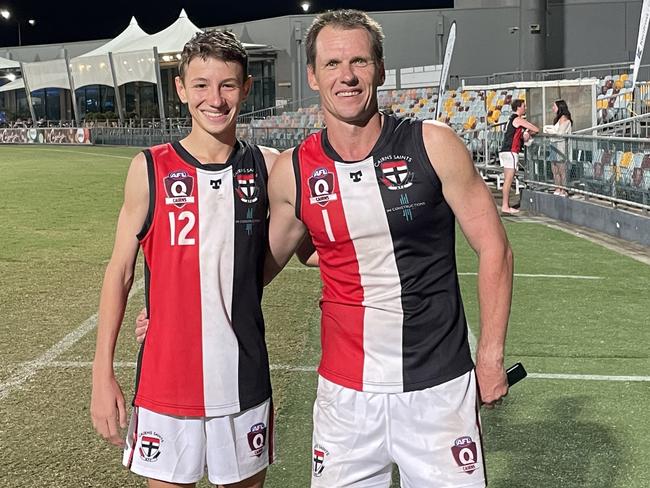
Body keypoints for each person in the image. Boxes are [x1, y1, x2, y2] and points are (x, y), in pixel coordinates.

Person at [263, 9, 514, 487]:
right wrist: (164, 308)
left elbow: (495, 249)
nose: (348, 76)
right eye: (332, 64)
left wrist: (490, 357)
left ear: (379, 68)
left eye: (359, 61)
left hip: (438, 388)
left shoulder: (432, 144)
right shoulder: (294, 171)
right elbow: (256, 270)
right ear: (313, 76)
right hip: (346, 396)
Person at [90, 30, 279, 488]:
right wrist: (102, 375)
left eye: (228, 85)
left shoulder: (270, 168)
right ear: (180, 89)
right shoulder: (149, 167)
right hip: (166, 382)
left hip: (243, 379)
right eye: (201, 85)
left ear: (246, 88)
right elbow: (119, 272)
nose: (214, 99)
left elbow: (305, 250)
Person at [498, 99, 539, 214]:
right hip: (511, 151)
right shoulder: (518, 119)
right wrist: (528, 132)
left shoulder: (510, 119)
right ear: (519, 108)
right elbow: (535, 129)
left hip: (505, 151)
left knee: (507, 179)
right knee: (508, 180)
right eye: (524, 106)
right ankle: (505, 206)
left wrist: (524, 134)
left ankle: (505, 205)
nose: (525, 108)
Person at [543, 99, 573, 196]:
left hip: (561, 146)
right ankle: (558, 187)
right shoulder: (558, 119)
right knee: (554, 169)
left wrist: (549, 131)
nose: (552, 108)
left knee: (561, 169)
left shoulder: (565, 119)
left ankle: (564, 189)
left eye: (554, 106)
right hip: (553, 145)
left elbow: (560, 133)